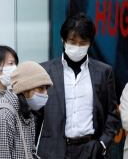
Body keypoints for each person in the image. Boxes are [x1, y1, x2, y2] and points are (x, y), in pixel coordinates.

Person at [37, 13, 121, 159]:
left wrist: (102, 144)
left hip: (90, 149)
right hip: (53, 151)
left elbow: (112, 114)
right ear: (63, 39)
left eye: (83, 42)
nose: (77, 47)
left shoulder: (103, 72)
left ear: (90, 43)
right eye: (72, 41)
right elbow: (35, 114)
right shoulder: (45, 70)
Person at [0, 61, 52, 159]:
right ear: (25, 87)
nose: (45, 93)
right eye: (42, 88)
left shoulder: (25, 113)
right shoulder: (3, 116)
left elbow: (30, 154)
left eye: (47, 89)